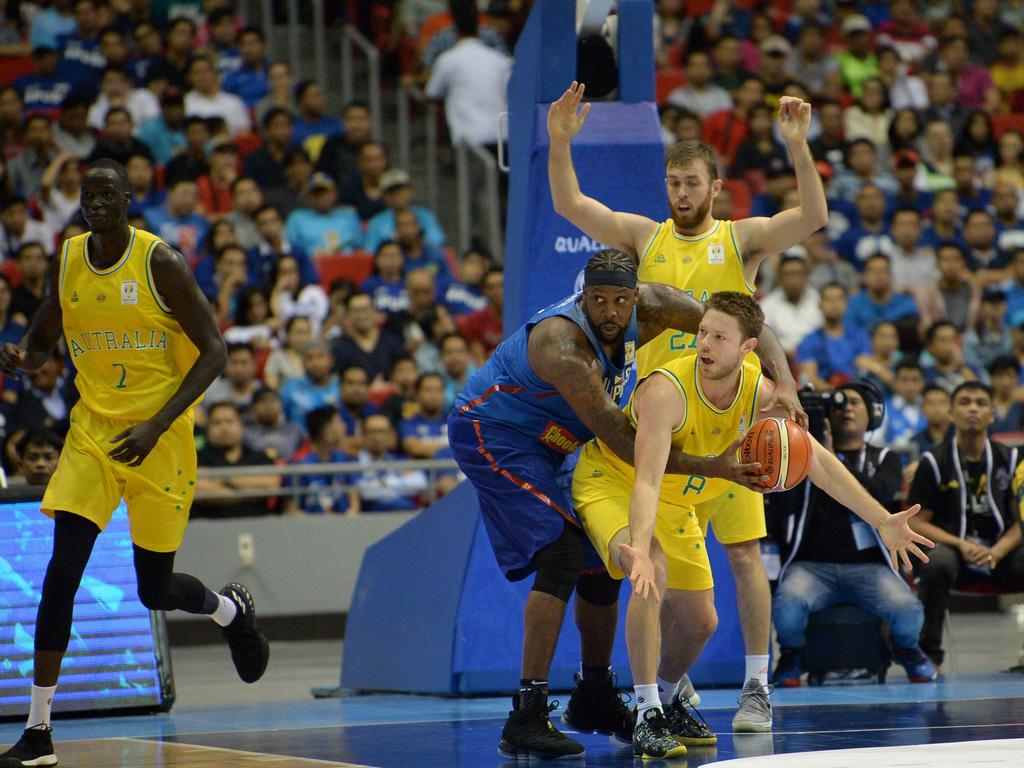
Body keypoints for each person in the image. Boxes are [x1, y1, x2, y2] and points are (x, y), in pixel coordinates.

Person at [449, 251, 792, 759]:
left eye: (619, 301)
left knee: (601, 563)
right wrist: (714, 465)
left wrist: (784, 380)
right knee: (561, 555)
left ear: (637, 298)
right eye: (597, 301)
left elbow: (741, 323)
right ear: (581, 297)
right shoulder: (562, 347)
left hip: (557, 439)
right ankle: (526, 712)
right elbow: (622, 443)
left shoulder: (660, 305)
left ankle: (594, 694)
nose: (609, 313)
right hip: (494, 432)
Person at [548, 81, 813, 732]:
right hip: (666, 421)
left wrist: (797, 149)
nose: (681, 194)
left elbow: (809, 219)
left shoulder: (740, 239)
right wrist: (559, 143)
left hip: (733, 422)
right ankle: (663, 685)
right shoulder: (646, 237)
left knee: (746, 555)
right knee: (657, 571)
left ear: (714, 187)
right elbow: (570, 203)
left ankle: (757, 684)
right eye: (673, 183)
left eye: (692, 183)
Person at [573, 294, 930, 757]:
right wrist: (638, 546)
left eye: (719, 337)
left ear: (748, 348)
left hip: (675, 499)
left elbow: (817, 461)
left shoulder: (757, 391)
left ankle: (664, 695)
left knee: (701, 623)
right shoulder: (666, 390)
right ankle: (646, 714)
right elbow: (645, 480)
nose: (704, 344)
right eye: (703, 332)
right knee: (651, 570)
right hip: (615, 484)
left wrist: (882, 520)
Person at [0, 159, 269, 767]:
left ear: (127, 199)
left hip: (160, 438)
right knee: (61, 571)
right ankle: (39, 731)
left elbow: (215, 352)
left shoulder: (159, 263)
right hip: (93, 435)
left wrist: (157, 424)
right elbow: (46, 336)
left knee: (153, 590)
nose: (95, 204)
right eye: (87, 195)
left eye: (106, 194)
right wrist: (24, 354)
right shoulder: (67, 258)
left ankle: (230, 612)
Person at [770, 380, 936, 687]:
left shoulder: (884, 457)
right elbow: (781, 506)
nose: (846, 409)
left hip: (868, 567)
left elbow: (880, 493)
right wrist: (812, 451)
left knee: (907, 608)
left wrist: (832, 458)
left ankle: (907, 650)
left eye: (855, 403)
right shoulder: (801, 455)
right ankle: (791, 656)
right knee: (788, 603)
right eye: (840, 403)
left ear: (872, 414)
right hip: (812, 567)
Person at [909, 381, 1024, 667]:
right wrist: (960, 544)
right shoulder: (933, 462)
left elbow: (1021, 519)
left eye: (981, 403)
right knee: (935, 561)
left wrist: (997, 551)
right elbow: (916, 521)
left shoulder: (1012, 460)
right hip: (955, 554)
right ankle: (928, 655)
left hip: (1001, 555)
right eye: (964, 402)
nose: (973, 408)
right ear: (950, 413)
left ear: (992, 415)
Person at [192, 401, 280, 519]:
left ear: (241, 427)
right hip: (208, 527)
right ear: (208, 429)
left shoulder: (258, 457)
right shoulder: (196, 458)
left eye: (229, 421)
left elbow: (271, 484)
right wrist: (249, 490)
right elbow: (198, 488)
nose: (224, 428)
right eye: (216, 423)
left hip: (258, 525)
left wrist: (223, 479)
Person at [353, 413, 428, 512]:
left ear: (390, 435)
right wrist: (400, 483)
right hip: (371, 517)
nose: (377, 437)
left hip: (405, 513)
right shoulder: (353, 463)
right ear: (363, 435)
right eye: (373, 432)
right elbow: (365, 492)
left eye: (382, 432)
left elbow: (420, 482)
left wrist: (386, 483)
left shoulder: (398, 460)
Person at [399, 372, 449, 458]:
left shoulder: (454, 421)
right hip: (422, 471)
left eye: (438, 390)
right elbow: (415, 449)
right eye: (428, 390)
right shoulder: (408, 424)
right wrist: (452, 449)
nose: (434, 395)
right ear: (416, 394)